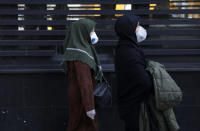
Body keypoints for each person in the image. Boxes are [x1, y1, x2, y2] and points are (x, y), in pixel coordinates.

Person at [62, 19, 103, 131]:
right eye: (91, 31)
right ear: (82, 32)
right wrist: (90, 108)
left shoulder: (77, 49)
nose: (94, 34)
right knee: (82, 126)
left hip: (79, 97)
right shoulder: (81, 56)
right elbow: (85, 83)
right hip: (83, 100)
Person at [114, 14, 154, 131]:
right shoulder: (129, 53)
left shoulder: (123, 48)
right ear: (129, 30)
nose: (140, 29)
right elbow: (144, 82)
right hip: (135, 108)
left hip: (129, 106)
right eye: (137, 26)